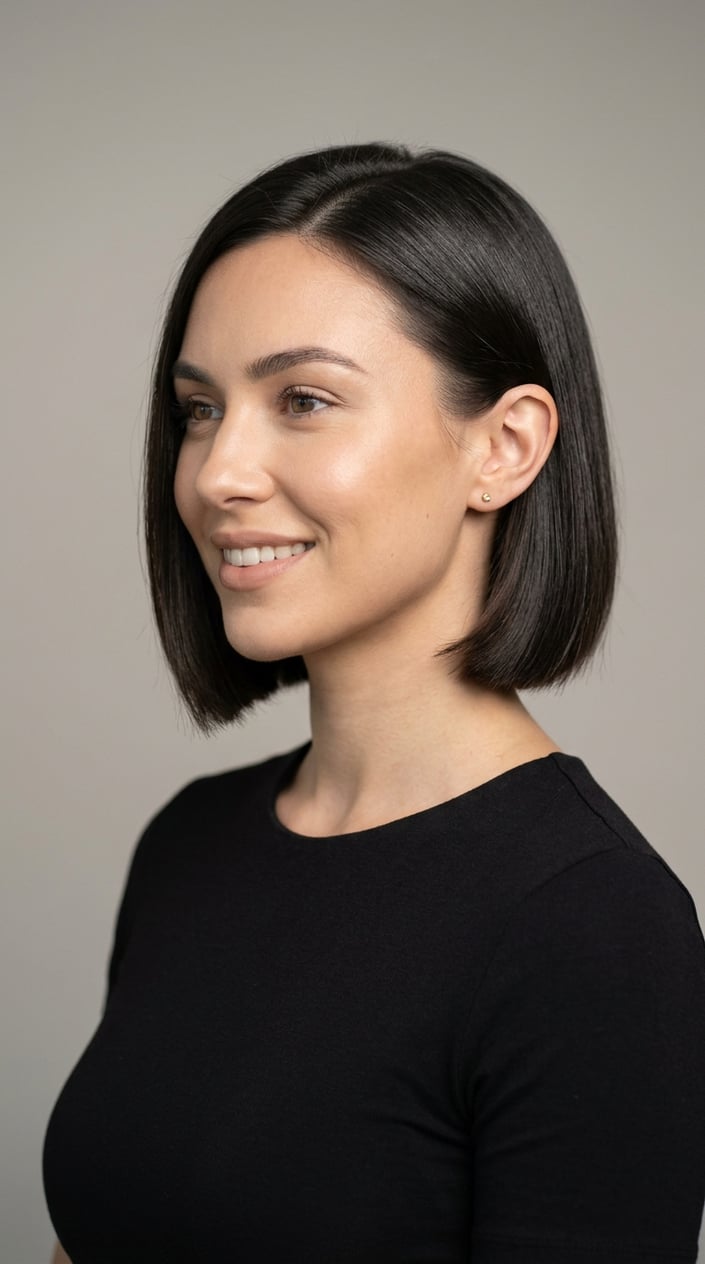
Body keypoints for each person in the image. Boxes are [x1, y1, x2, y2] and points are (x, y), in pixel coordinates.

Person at [43, 143, 705, 1263]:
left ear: (504, 447)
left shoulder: (593, 928)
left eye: (303, 399)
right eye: (199, 410)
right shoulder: (189, 844)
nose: (215, 473)